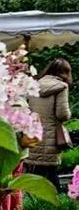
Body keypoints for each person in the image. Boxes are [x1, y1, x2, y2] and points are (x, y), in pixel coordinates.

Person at [26, 58, 73, 192]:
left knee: (35, 172)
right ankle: (57, 202)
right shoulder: (61, 87)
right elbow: (62, 114)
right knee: (51, 173)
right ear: (65, 72)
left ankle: (32, 201)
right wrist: (69, 113)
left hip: (33, 133)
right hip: (50, 135)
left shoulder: (33, 85)